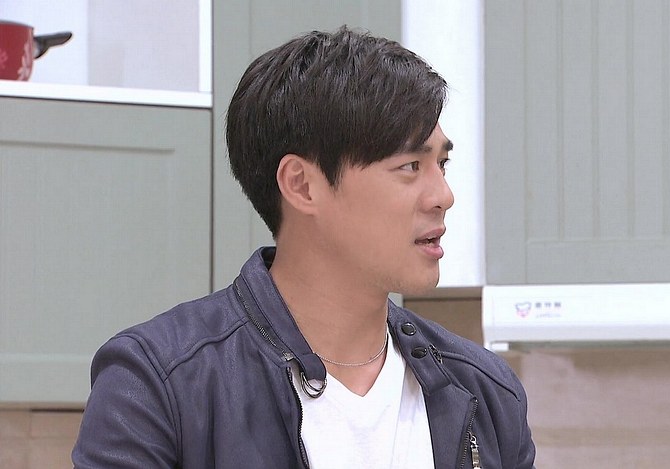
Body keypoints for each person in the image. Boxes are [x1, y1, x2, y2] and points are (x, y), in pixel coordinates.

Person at [72, 26, 536, 468]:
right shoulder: (158, 383)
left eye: (442, 164)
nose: (443, 196)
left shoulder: (487, 392)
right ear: (302, 185)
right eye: (410, 166)